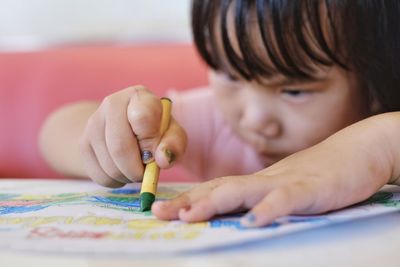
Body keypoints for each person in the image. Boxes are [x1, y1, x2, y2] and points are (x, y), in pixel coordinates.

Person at [39, 0, 400, 227]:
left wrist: (381, 143)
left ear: (375, 78)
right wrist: (110, 135)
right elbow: (54, 130)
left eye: (294, 90)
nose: (254, 119)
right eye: (230, 74)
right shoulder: (212, 122)